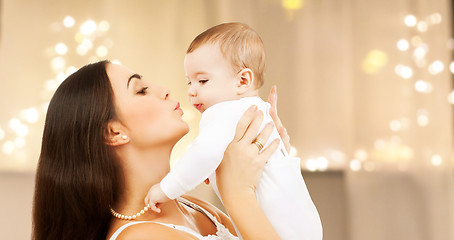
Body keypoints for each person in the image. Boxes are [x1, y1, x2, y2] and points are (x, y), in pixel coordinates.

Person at [32, 60, 287, 240]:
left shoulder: (195, 208)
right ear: (113, 132)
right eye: (141, 90)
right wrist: (238, 193)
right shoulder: (140, 237)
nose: (165, 90)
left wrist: (272, 167)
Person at [145, 22, 322, 240]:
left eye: (202, 80)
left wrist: (165, 189)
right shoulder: (253, 109)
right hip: (302, 223)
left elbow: (203, 153)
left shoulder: (222, 111)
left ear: (242, 80)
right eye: (189, 82)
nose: (191, 91)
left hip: (277, 226)